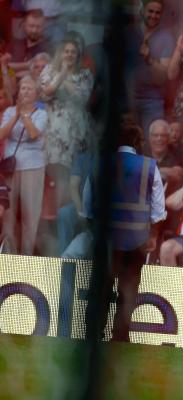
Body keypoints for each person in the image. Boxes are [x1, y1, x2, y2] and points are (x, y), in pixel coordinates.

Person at [84, 122, 166, 342]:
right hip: (136, 240)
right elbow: (158, 210)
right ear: (137, 143)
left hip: (107, 240)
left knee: (101, 288)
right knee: (128, 290)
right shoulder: (149, 166)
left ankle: (94, 333)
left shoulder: (99, 164)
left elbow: (88, 205)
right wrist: (153, 235)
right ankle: (120, 335)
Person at [39, 37, 93, 209]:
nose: (69, 55)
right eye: (66, 51)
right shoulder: (48, 70)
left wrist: (66, 79)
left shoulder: (85, 74)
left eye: (73, 52)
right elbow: (46, 93)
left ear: (78, 56)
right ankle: (53, 216)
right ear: (60, 53)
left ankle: (64, 214)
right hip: (55, 131)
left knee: (72, 176)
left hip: (76, 131)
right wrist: (61, 74)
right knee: (57, 173)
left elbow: (82, 98)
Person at [0, 75, 47, 255]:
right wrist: (16, 115)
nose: (25, 91)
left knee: (30, 213)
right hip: (11, 167)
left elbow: (34, 134)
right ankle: (7, 252)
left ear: (36, 94)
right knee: (8, 214)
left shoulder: (42, 114)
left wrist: (26, 116)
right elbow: (2, 135)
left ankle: (26, 255)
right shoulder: (10, 112)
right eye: (23, 88)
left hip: (33, 167)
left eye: (29, 88)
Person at [125, 0, 174, 135]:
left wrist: (149, 59)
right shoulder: (130, 32)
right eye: (150, 11)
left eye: (157, 13)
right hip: (128, 99)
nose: (153, 15)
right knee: (127, 146)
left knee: (150, 145)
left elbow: (163, 77)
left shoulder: (166, 37)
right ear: (142, 11)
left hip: (153, 101)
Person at [145, 119, 183, 195]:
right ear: (149, 138)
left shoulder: (176, 153)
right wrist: (163, 172)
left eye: (163, 135)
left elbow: (178, 174)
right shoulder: (141, 152)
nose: (159, 139)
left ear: (168, 138)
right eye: (155, 135)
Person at [7, 9, 50, 79]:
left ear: (43, 27)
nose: (34, 30)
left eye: (38, 27)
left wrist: (12, 72)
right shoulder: (15, 44)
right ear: (24, 26)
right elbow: (3, 68)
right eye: (31, 26)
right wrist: (27, 65)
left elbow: (41, 73)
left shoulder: (47, 48)